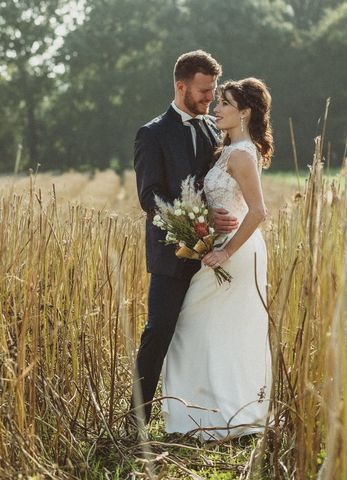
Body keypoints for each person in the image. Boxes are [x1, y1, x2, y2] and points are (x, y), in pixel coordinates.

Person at [161, 77, 273, 441]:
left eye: (224, 103)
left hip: (236, 252)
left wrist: (225, 250)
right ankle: (201, 412)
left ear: (244, 112)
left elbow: (258, 212)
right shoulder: (228, 149)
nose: (217, 109)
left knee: (215, 327)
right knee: (204, 327)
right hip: (217, 246)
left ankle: (228, 413)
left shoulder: (242, 154)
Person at [131, 50, 238, 428]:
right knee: (159, 330)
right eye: (204, 91)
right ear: (181, 86)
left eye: (213, 91)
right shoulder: (153, 133)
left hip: (217, 254)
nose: (211, 98)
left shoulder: (215, 130)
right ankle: (138, 419)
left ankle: (205, 413)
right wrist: (195, 223)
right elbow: (150, 197)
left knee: (209, 333)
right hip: (170, 254)